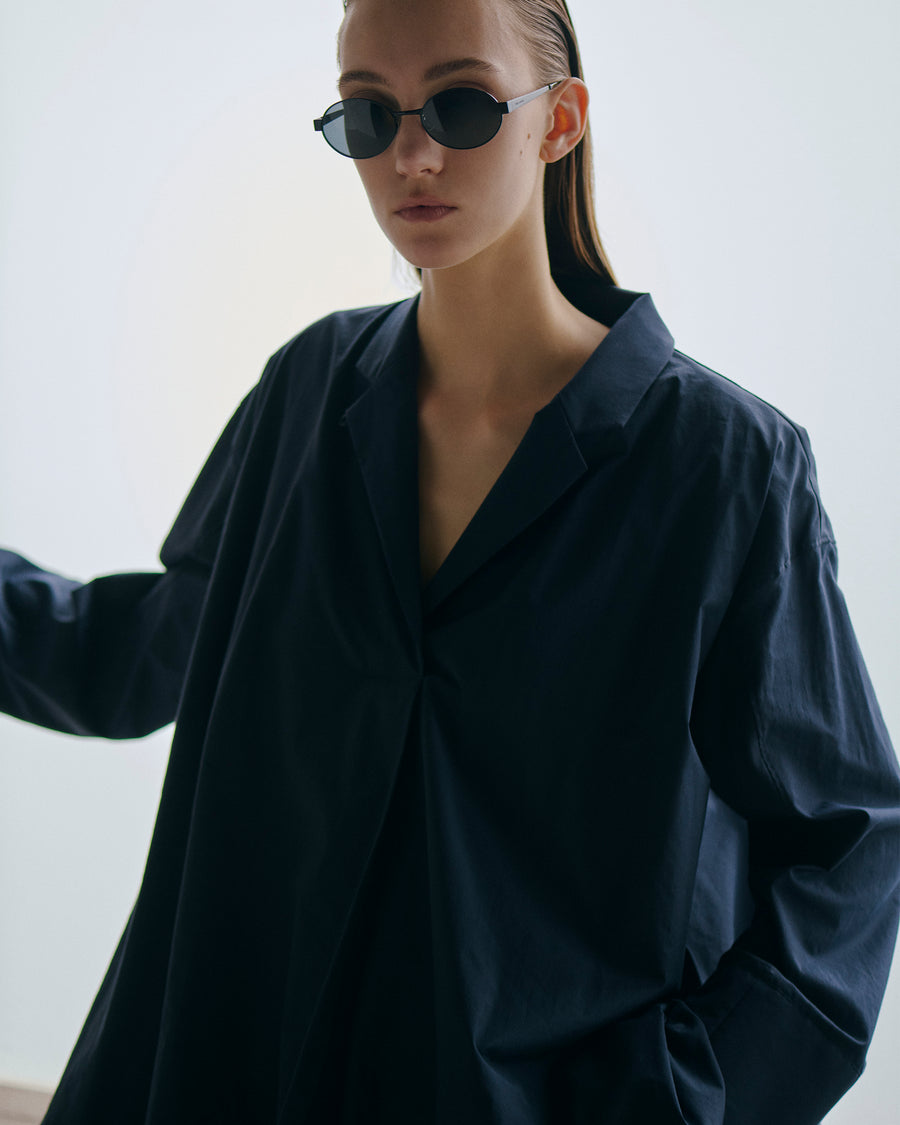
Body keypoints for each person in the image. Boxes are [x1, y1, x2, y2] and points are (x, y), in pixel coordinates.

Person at [1, 0, 898, 1121]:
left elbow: (849, 845)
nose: (411, 156)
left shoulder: (720, 467)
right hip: (236, 1074)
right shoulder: (306, 393)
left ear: (560, 120)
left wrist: (684, 1098)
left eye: (462, 105)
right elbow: (148, 653)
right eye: (369, 115)